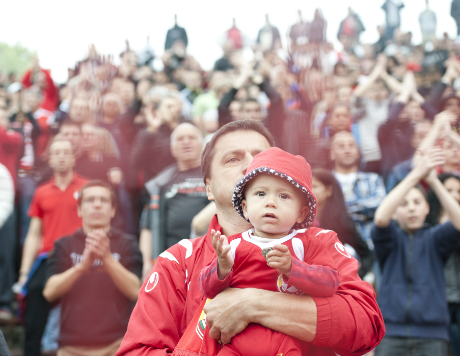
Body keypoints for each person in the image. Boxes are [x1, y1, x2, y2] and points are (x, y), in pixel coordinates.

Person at [116, 120, 384, 356]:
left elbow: (366, 326)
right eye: (233, 159)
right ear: (207, 187)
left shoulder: (319, 242)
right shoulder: (177, 260)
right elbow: (137, 351)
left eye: (262, 157)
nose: (251, 166)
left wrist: (254, 304)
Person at [194, 148, 339, 356]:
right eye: (260, 193)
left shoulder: (306, 244)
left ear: (301, 212)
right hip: (236, 344)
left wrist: (293, 268)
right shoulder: (233, 245)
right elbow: (206, 289)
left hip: (287, 343)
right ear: (244, 207)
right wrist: (221, 268)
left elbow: (331, 283)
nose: (270, 202)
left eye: (284, 196)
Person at [372, 147, 460, 355]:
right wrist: (416, 174)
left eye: (417, 202)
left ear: (427, 208)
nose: (411, 208)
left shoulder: (436, 238)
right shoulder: (390, 238)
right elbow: (380, 218)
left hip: (432, 336)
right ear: (396, 211)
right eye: (404, 204)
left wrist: (434, 181)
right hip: (390, 334)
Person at [43, 180, 142, 356]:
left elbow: (136, 291)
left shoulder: (127, 244)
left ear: (112, 210)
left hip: (118, 345)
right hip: (70, 347)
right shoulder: (65, 244)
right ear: (80, 210)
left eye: (103, 200)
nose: (97, 205)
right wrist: (82, 266)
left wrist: (107, 258)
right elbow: (49, 291)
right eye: (90, 200)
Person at [18, 139, 87, 356]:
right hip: (48, 258)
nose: (61, 156)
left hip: (79, 257)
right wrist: (23, 272)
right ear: (49, 159)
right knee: (33, 314)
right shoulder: (41, 192)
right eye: (56, 153)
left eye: (66, 152)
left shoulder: (87, 187)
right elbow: (33, 234)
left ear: (74, 158)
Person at [139, 123, 209, 280]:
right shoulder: (161, 183)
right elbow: (148, 227)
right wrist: (146, 263)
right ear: (172, 150)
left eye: (191, 137)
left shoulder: (214, 177)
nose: (186, 142)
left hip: (209, 259)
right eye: (180, 139)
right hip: (172, 262)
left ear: (202, 145)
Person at [311, 168, 374, 279]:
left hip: (329, 282)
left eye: (315, 186)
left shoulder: (342, 223)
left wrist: (354, 277)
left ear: (329, 191)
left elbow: (367, 255)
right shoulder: (298, 219)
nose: (310, 190)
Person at [331, 131, 386, 247]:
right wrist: (363, 213)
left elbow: (381, 207)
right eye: (341, 146)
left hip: (370, 246)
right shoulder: (326, 183)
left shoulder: (373, 179)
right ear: (332, 153)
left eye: (351, 145)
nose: (347, 150)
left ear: (357, 151)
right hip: (335, 249)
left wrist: (341, 211)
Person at [425, 173, 460, 356]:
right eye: (449, 190)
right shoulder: (425, 226)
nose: (455, 195)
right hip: (435, 303)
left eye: (459, 191)